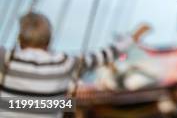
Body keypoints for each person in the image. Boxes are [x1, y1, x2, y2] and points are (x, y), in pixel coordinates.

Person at [0, 12, 149, 117]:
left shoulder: (6, 59)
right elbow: (107, 54)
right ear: (49, 39)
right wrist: (132, 37)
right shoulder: (65, 63)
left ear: (20, 39)